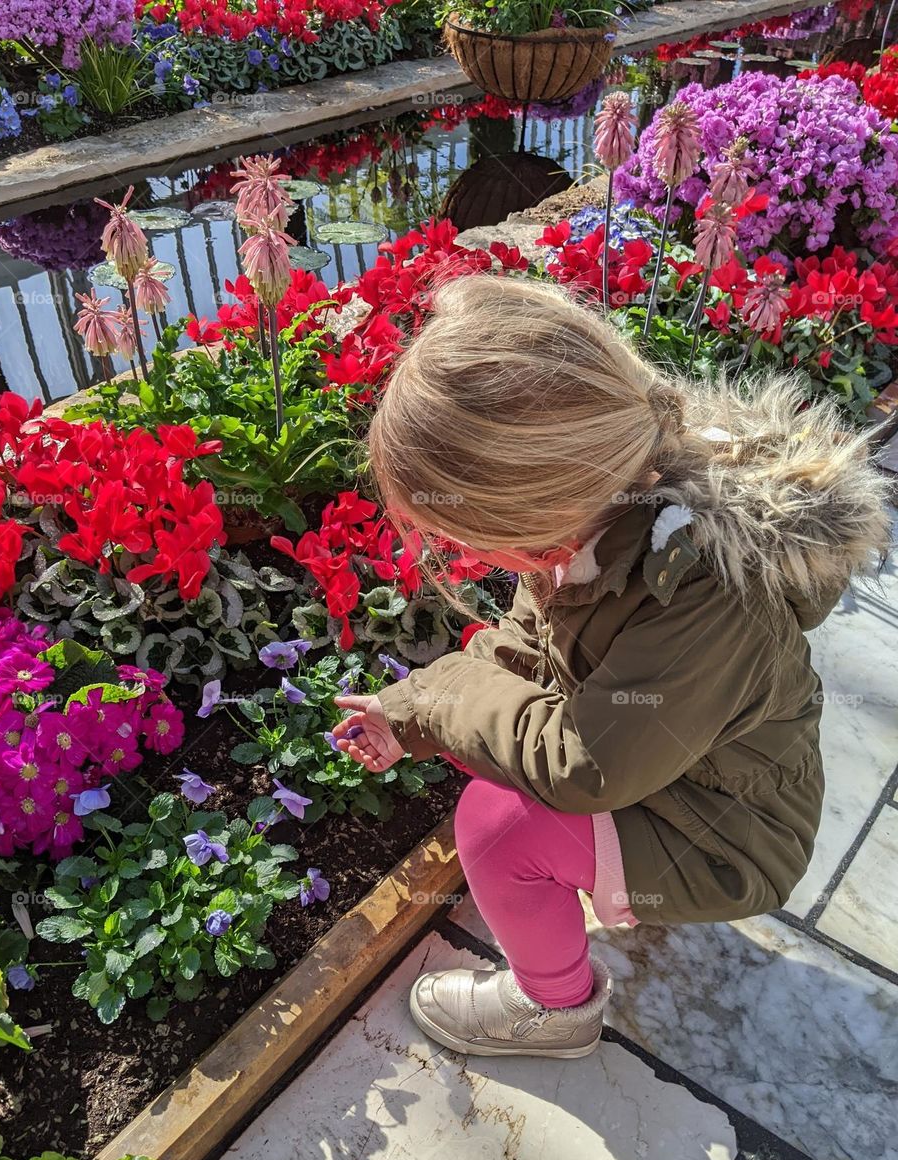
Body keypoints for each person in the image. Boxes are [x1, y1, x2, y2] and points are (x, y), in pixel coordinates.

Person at [331, 272, 891, 1061]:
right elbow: (523, 651)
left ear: (530, 520)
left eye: (457, 539)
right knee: (494, 736)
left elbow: (584, 769)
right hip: (677, 778)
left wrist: (452, 696)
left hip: (729, 843)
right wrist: (415, 706)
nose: (456, 557)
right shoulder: (595, 518)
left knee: (498, 830)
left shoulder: (706, 600)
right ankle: (615, 879)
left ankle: (551, 1011)